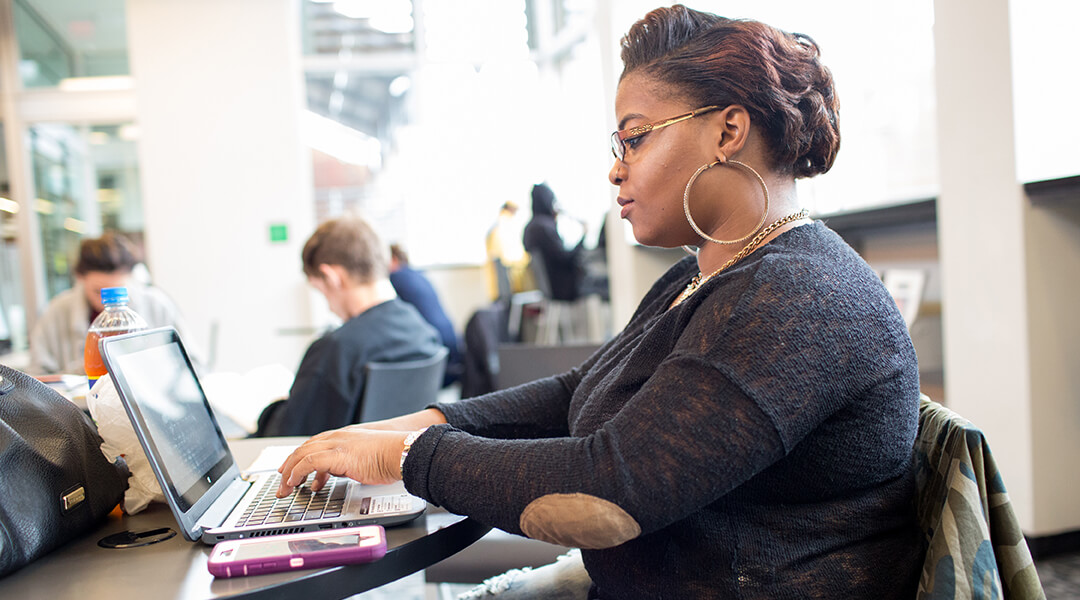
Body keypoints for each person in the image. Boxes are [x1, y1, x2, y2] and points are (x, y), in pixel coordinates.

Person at [275, 6, 923, 599]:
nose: (616, 168)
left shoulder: (796, 297)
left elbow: (615, 487)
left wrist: (405, 457)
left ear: (728, 131)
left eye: (635, 139)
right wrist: (421, 424)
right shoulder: (702, 275)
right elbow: (577, 392)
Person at [256, 218, 442, 437]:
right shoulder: (422, 331)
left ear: (332, 277)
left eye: (321, 291)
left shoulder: (336, 350)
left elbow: (288, 434)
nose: (330, 307)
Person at [29, 232, 199, 375]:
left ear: (132, 277)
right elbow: (37, 380)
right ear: (79, 277)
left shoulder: (157, 305)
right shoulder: (56, 312)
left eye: (118, 291)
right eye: (98, 291)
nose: (106, 304)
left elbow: (194, 365)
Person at [388, 244, 463, 386]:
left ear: (393, 259)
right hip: (454, 354)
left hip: (437, 365)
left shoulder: (395, 278)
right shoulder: (420, 275)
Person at [522, 183, 585, 302]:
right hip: (562, 288)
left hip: (547, 288)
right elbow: (565, 258)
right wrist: (583, 237)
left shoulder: (530, 228)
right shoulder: (544, 227)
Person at [485, 201, 531, 300]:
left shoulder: (499, 224)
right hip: (507, 277)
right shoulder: (505, 225)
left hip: (500, 281)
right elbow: (509, 255)